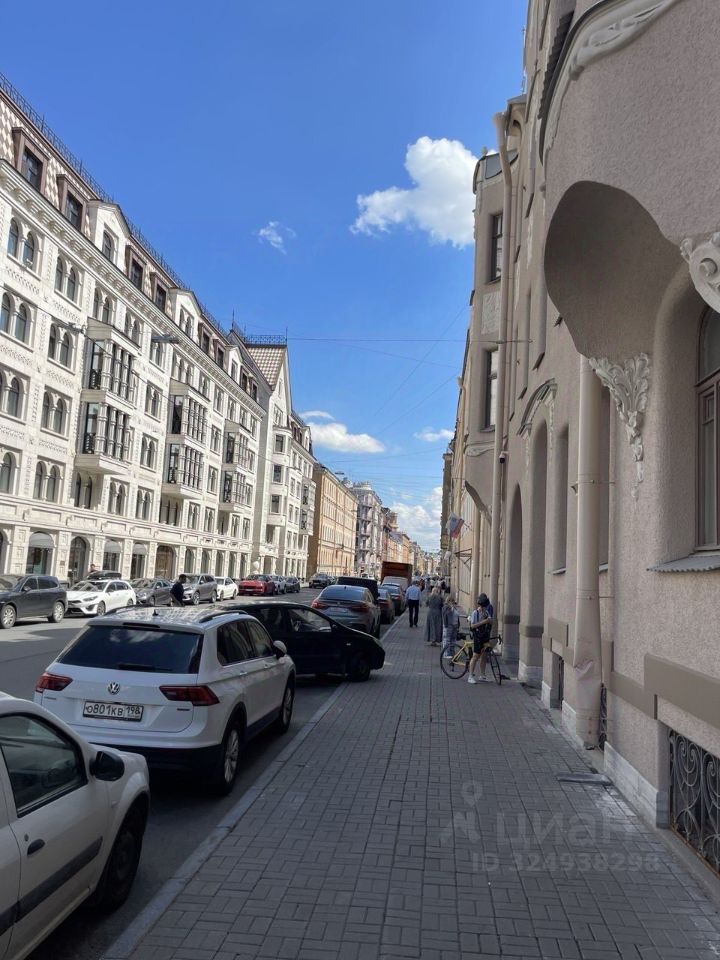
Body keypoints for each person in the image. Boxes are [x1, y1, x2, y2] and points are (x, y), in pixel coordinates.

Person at [467, 593, 495, 684]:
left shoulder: (486, 612)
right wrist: (484, 621)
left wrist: (490, 621)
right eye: (484, 606)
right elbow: (472, 626)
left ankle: (482, 675)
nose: (485, 608)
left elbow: (491, 621)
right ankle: (470, 676)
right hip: (478, 636)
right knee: (475, 656)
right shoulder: (475, 613)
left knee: (484, 655)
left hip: (485, 636)